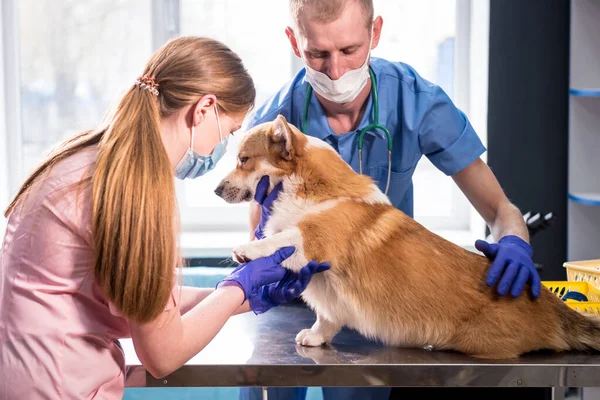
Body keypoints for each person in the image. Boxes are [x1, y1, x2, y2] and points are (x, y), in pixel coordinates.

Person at [240, 1, 542, 399]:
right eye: (318, 54)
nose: (335, 71)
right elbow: (260, 238)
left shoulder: (415, 101)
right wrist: (269, 240)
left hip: (376, 298)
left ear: (375, 33)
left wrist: (514, 240)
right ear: (294, 43)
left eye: (349, 50)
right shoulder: (273, 125)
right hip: (296, 297)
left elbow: (500, 211)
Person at [0, 36, 329, 400]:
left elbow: (144, 301)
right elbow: (163, 354)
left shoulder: (88, 161)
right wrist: (238, 287)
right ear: (203, 109)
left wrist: (249, 295)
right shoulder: (134, 190)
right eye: (230, 131)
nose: (220, 151)